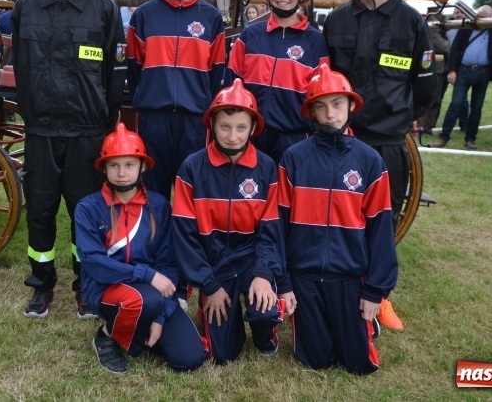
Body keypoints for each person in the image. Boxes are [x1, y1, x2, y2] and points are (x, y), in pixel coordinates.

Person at [10, 0, 125, 319]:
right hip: (41, 130)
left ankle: (85, 285)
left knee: (85, 215)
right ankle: (41, 285)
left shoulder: (104, 9)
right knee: (40, 211)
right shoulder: (26, 7)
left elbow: (115, 72)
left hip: (87, 132)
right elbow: (20, 68)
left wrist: (107, 124)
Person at [323, 0, 435, 332]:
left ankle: (380, 296)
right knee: (338, 216)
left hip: (388, 140)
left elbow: (425, 83)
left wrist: (402, 118)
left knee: (382, 221)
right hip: (342, 138)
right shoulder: (336, 21)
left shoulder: (410, 22)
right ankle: (339, 286)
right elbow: (325, 79)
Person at [278, 64, 397, 374]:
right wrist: (284, 282)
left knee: (359, 365)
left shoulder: (370, 161)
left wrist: (375, 291)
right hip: (304, 276)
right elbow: (278, 227)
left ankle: (366, 322)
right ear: (311, 111)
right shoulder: (293, 158)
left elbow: (381, 231)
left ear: (351, 105)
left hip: (349, 276)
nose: (330, 114)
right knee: (316, 361)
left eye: (337, 104)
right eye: (321, 106)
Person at [75, 123, 208, 374]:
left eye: (129, 164)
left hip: (154, 294)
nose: (121, 173)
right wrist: (145, 275)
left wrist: (161, 316)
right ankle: (106, 336)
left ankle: (140, 327)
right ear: (104, 168)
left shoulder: (159, 206)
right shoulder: (88, 208)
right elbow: (93, 263)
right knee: (146, 299)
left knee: (190, 357)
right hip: (107, 289)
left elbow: (169, 263)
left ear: (142, 166)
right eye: (113, 165)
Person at [172, 79, 288, 364]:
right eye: (225, 126)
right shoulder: (191, 167)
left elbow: (271, 231)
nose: (233, 136)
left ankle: (265, 331)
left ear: (253, 127)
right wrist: (209, 284)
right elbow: (185, 235)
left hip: (250, 258)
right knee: (222, 355)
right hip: (215, 264)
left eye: (241, 128)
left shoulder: (266, 167)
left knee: (263, 310)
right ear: (212, 124)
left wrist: (263, 273)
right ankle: (213, 312)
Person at [126, 0, 226, 198]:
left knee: (191, 192)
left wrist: (199, 102)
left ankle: (185, 229)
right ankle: (155, 228)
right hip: (153, 119)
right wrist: (150, 97)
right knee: (152, 192)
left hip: (193, 121)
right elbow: (134, 68)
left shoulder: (211, 18)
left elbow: (216, 72)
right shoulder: (144, 16)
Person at [226, 0, 329, 165]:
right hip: (250, 137)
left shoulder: (315, 41)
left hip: (295, 139)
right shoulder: (250, 35)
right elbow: (232, 84)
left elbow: (322, 95)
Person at [432, 5, 492, 149]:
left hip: (483, 72)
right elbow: (454, 49)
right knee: (456, 104)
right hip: (464, 71)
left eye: (484, 17)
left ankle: (470, 139)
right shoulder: (467, 27)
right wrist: (452, 70)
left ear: (490, 18)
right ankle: (443, 137)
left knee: (476, 108)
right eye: (478, 16)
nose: (479, 19)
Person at [416, 13, 450, 137]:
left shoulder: (436, 31)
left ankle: (428, 127)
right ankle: (422, 126)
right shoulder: (432, 30)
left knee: (435, 100)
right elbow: (445, 47)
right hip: (432, 69)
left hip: (437, 70)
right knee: (429, 99)